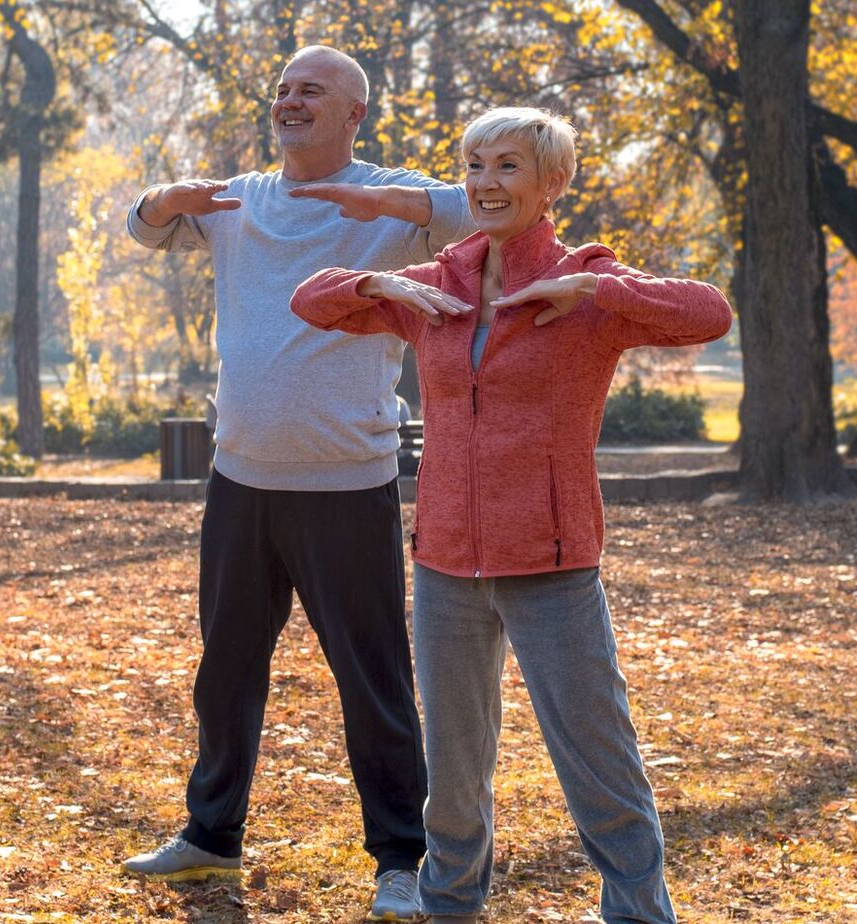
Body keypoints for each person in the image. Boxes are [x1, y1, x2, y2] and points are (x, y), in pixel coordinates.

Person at [289, 106, 732, 924]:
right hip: (446, 561)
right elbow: (310, 301)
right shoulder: (437, 286)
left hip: (553, 562)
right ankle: (451, 902)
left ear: (551, 184)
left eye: (507, 168)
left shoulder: (587, 287)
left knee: (597, 757)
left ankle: (638, 909)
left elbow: (709, 312)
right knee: (454, 769)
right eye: (475, 166)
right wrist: (375, 283)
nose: (486, 183)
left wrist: (597, 285)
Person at [119, 44, 477, 921]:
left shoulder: (396, 199)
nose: (289, 100)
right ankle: (211, 834)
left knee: (375, 681)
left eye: (311, 90)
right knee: (226, 668)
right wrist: (166, 199)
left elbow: (489, 209)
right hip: (240, 478)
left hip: (346, 486)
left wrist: (385, 202)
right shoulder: (241, 199)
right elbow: (142, 226)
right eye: (282, 88)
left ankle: (402, 860)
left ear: (355, 113)